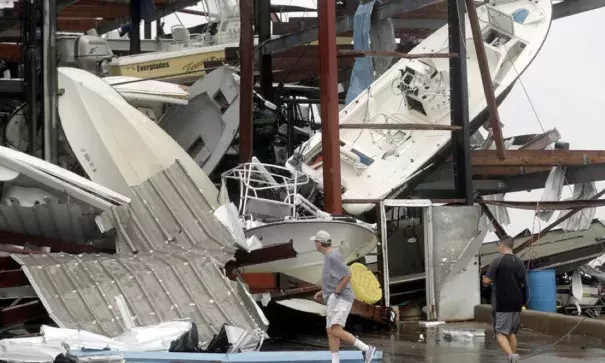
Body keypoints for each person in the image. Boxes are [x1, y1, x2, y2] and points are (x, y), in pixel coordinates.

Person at [311, 230, 376, 363]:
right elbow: (333, 277)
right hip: (333, 297)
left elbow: (347, 275)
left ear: (320, 243)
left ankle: (366, 348)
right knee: (330, 330)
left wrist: (335, 293)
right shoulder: (329, 255)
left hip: (341, 298)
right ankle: (335, 361)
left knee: (335, 330)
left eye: (315, 241)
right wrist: (323, 291)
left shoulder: (332, 256)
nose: (314, 244)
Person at [483, 235, 527, 363]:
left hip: (502, 303)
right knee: (510, 332)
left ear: (501, 245)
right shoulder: (520, 262)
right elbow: (523, 282)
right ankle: (513, 358)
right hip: (517, 303)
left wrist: (485, 281)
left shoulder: (498, 261)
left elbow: (487, 280)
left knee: (499, 333)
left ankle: (511, 356)